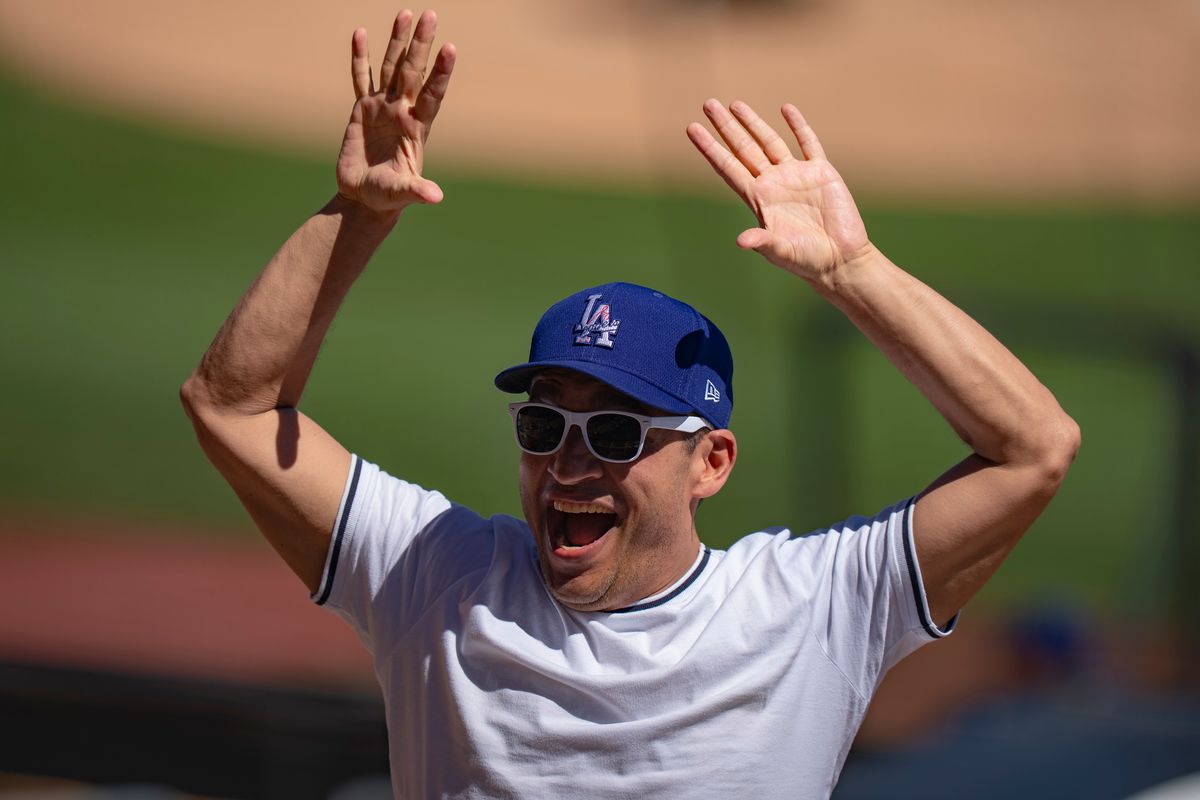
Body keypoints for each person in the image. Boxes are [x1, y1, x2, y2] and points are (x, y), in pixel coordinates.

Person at [180, 9, 1080, 798]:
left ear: (711, 462)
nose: (570, 464)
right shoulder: (436, 578)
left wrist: (855, 272)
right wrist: (355, 214)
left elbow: (1035, 448)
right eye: (544, 425)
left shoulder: (812, 611)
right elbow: (232, 409)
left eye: (615, 432)